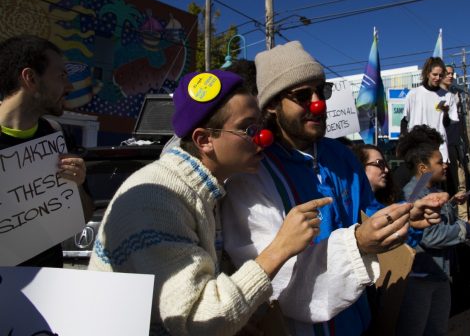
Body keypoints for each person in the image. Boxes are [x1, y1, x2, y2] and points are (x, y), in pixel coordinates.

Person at [222, 41, 447, 336]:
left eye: (322, 91)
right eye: (303, 95)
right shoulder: (254, 171)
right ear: (273, 105)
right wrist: (358, 243)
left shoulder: (342, 156)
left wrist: (408, 218)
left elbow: (370, 216)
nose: (317, 104)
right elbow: (273, 275)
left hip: (359, 321)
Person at [88, 69, 332, 335]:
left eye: (261, 127)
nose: (264, 138)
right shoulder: (157, 199)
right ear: (204, 141)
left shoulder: (207, 192)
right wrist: (279, 249)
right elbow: (196, 318)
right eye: (248, 128)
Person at [395, 125, 470, 336]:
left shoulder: (431, 189)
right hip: (421, 277)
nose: (446, 165)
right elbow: (430, 235)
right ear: (423, 168)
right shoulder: (415, 193)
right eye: (439, 162)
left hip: (439, 275)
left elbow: (441, 222)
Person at [0, 35, 94, 268]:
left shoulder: (56, 135)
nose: (69, 86)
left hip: (46, 285)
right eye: (62, 76)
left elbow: (82, 216)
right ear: (30, 78)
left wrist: (78, 184)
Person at [402, 57, 458, 164]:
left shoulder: (448, 96)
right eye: (435, 74)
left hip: (439, 150)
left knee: (437, 179)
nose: (438, 78)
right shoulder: (413, 94)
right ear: (428, 73)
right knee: (421, 180)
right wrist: (404, 144)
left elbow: (448, 125)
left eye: (441, 75)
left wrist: (445, 113)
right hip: (418, 150)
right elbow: (404, 121)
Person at [440, 64, 470, 219]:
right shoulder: (436, 96)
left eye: (452, 73)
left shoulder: (456, 94)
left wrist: (466, 147)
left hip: (457, 147)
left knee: (462, 184)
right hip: (443, 148)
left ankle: (464, 220)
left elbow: (461, 124)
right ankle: (449, 218)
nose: (450, 76)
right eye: (447, 73)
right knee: (448, 186)